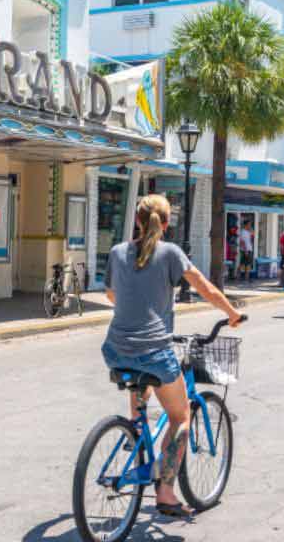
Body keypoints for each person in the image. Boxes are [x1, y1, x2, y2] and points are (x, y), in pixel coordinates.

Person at [102, 194, 244, 518]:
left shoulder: (116, 252)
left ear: (138, 221)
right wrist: (232, 313)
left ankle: (136, 430)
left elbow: (112, 295)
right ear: (165, 224)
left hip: (115, 349)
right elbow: (205, 288)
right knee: (181, 417)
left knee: (139, 372)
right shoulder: (171, 253)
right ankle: (165, 492)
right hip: (154, 350)